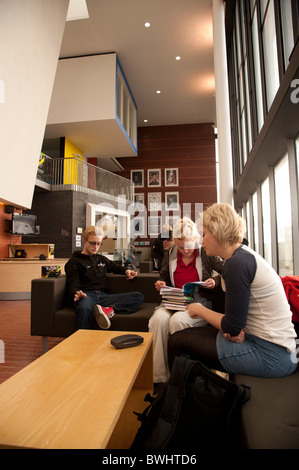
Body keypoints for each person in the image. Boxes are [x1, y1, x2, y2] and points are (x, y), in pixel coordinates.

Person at [168, 203, 297, 378]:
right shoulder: (240, 257)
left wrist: (199, 310)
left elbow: (232, 326)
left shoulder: (237, 264)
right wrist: (234, 330)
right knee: (184, 335)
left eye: (204, 234)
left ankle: (183, 400)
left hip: (272, 355)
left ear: (218, 232)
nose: (201, 241)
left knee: (177, 342)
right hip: (268, 345)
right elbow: (235, 324)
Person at [149, 217, 225, 384]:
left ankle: (182, 378)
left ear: (196, 240)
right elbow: (162, 277)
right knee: (158, 320)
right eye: (180, 246)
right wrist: (160, 284)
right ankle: (160, 378)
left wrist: (216, 281)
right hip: (174, 299)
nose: (185, 250)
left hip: (197, 303)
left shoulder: (205, 252)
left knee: (177, 321)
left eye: (189, 246)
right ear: (175, 241)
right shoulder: (170, 252)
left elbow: (225, 269)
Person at [65, 225, 144, 330]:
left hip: (103, 297)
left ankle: (107, 310)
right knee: (83, 308)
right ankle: (82, 343)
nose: (96, 247)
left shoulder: (101, 259)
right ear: (84, 240)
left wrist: (126, 271)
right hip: (86, 295)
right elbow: (72, 282)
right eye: (93, 243)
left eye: (98, 244)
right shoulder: (74, 262)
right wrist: (76, 292)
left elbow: (114, 267)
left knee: (138, 296)